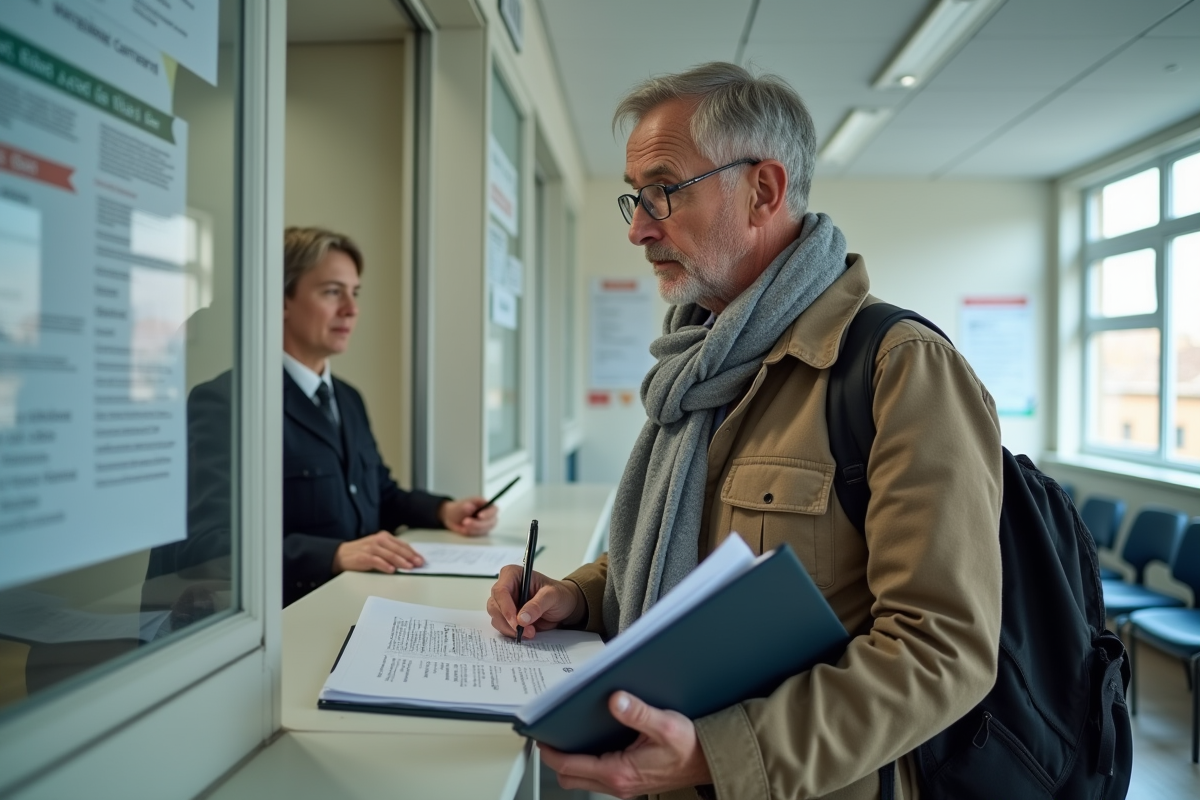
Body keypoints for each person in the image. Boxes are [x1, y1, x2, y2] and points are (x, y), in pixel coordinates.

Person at [487, 63, 1003, 800]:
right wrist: (574, 596)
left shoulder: (897, 369)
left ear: (763, 190)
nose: (639, 227)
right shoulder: (698, 367)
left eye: (664, 190)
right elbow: (683, 558)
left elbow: (942, 651)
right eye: (635, 198)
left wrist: (718, 756)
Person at [277, 226, 497, 604]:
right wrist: (334, 554)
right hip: (291, 613)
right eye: (332, 291)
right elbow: (212, 545)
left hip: (358, 597)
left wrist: (445, 510)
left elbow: (380, 493)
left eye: (355, 292)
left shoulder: (346, 399)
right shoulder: (232, 404)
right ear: (280, 299)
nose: (351, 308)